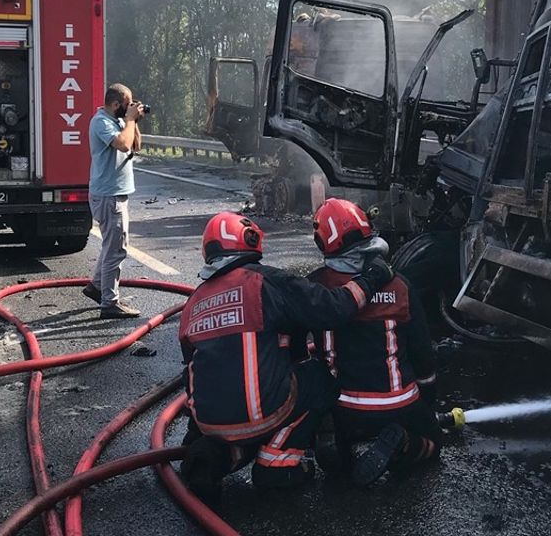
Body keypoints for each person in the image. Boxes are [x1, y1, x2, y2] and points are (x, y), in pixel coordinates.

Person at [178, 211, 394, 501]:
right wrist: (373, 277)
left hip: (210, 423)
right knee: (319, 379)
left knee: (244, 413)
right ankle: (277, 461)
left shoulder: (193, 304)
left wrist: (197, 433)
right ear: (251, 241)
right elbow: (333, 308)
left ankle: (219, 457)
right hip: (262, 414)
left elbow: (192, 372)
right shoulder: (267, 282)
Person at [305, 198, 442, 486]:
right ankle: (403, 444)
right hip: (398, 404)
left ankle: (331, 442)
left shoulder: (315, 286)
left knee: (310, 379)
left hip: (341, 407)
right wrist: (426, 403)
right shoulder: (400, 285)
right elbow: (423, 354)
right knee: (432, 442)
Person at [84, 83, 146, 318]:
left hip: (117, 194)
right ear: (115, 104)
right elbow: (121, 144)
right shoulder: (100, 121)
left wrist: (134, 121)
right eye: (127, 103)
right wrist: (129, 120)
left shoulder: (120, 121)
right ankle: (109, 303)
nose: (130, 107)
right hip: (108, 195)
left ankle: (96, 287)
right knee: (116, 250)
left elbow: (134, 145)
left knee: (111, 246)